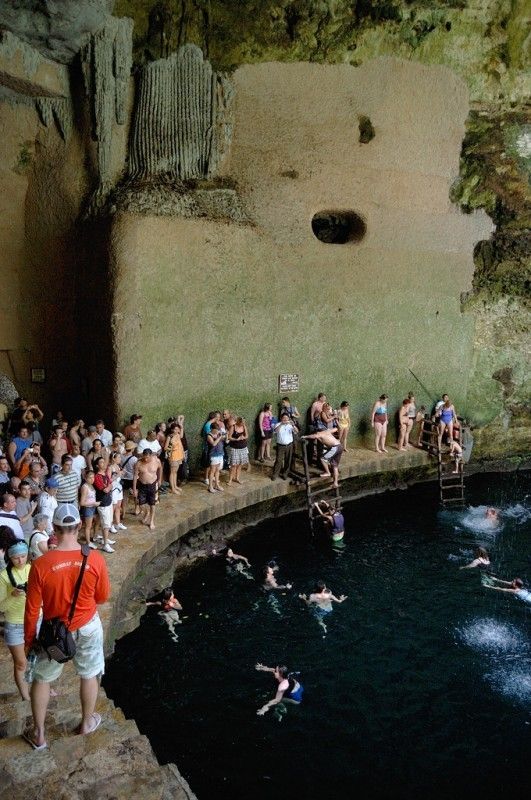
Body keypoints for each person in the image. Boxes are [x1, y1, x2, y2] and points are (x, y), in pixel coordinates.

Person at [23, 503, 110, 749]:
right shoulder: (94, 558)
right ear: (79, 526)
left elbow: (32, 610)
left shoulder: (40, 565)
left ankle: (39, 735)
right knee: (89, 673)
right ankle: (86, 724)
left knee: (42, 679)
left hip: (54, 632)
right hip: (88, 625)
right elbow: (102, 598)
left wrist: (30, 640)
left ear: (54, 528)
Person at [0, 540, 35, 699]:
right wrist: (13, 596)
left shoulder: (32, 568)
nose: (20, 560)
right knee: (21, 663)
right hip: (14, 624)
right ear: (10, 558)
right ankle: (25, 695)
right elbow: (1, 607)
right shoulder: (4, 576)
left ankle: (40, 688)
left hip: (35, 620)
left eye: (23, 556)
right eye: (16, 558)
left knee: (36, 659)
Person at [132, 449, 162, 530]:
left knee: (152, 504)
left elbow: (160, 468)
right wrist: (134, 489)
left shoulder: (156, 461)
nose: (145, 459)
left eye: (147, 458)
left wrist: (159, 480)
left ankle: (151, 521)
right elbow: (135, 476)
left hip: (152, 484)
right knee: (141, 504)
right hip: (142, 485)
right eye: (144, 457)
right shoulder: (138, 463)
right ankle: (146, 512)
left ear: (151, 455)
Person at [93, 457, 115, 553]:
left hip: (108, 500)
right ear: (97, 465)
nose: (104, 463)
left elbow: (111, 485)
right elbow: (105, 489)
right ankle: (105, 544)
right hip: (102, 502)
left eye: (104, 461)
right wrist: (109, 486)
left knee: (107, 521)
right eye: (101, 462)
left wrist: (109, 486)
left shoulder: (105, 474)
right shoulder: (97, 476)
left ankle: (104, 539)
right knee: (106, 524)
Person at [271, 412, 297, 481]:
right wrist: (281, 424)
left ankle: (285, 474)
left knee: (287, 460)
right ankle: (275, 474)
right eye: (284, 418)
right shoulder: (278, 424)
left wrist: (293, 425)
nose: (285, 419)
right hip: (280, 445)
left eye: (286, 418)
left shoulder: (290, 425)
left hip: (289, 445)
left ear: (288, 418)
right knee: (278, 460)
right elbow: (275, 431)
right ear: (281, 418)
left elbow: (296, 431)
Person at [79, 470, 100, 548]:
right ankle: (88, 542)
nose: (92, 479)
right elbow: (82, 503)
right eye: (90, 478)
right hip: (88, 508)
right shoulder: (85, 487)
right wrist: (93, 503)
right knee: (88, 526)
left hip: (92, 507)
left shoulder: (91, 485)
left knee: (92, 524)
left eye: (93, 477)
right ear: (85, 478)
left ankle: (94, 537)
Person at [226, 417, 249, 487]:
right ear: (238, 422)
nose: (243, 424)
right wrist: (236, 439)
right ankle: (230, 480)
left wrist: (243, 437)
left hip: (243, 447)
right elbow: (229, 437)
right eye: (242, 423)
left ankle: (237, 478)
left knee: (240, 464)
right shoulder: (233, 427)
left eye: (244, 423)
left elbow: (247, 435)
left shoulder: (244, 426)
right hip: (234, 448)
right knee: (233, 465)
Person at [164, 422, 184, 495]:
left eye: (178, 429)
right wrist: (172, 447)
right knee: (172, 473)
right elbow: (165, 448)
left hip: (179, 456)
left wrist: (181, 426)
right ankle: (172, 488)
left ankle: (175, 486)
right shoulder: (170, 437)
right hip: (173, 457)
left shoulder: (178, 435)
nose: (177, 430)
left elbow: (181, 435)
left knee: (175, 472)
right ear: (172, 430)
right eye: (175, 429)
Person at [206, 422, 225, 493]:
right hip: (213, 455)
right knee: (212, 471)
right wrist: (219, 437)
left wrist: (224, 436)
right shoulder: (209, 435)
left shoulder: (218, 433)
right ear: (212, 429)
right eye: (215, 430)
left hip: (220, 454)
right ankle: (210, 486)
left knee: (217, 471)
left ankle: (217, 485)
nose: (217, 431)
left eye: (217, 430)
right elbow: (213, 444)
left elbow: (224, 440)